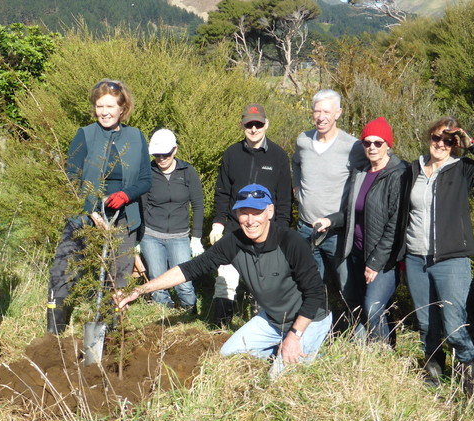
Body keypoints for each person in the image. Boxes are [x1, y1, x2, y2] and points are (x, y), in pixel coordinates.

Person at [118, 184, 331, 376]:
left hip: (309, 321)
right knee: (227, 357)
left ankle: (310, 352)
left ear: (270, 212)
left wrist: (293, 337)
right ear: (236, 213)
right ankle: (279, 347)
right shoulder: (234, 242)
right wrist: (139, 290)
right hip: (273, 320)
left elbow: (315, 295)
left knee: (278, 379)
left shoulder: (291, 242)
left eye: (256, 212)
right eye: (244, 213)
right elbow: (190, 269)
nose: (250, 220)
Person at [403, 117, 474, 396]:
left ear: (456, 145)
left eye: (448, 140)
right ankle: (433, 376)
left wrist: (473, 144)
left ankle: (472, 379)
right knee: (427, 324)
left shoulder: (463, 169)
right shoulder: (412, 169)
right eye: (436, 138)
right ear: (429, 138)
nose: (440, 144)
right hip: (416, 258)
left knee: (453, 324)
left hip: (451, 260)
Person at [46, 79, 151, 335]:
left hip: (123, 219)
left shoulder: (136, 137)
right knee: (63, 271)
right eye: (99, 106)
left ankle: (108, 333)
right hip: (84, 217)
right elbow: (71, 177)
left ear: (122, 108)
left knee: (117, 279)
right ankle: (54, 334)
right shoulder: (85, 134)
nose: (104, 112)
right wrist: (91, 211)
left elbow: (145, 180)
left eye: (110, 106)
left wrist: (126, 195)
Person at [314, 117, 407, 344]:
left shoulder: (398, 174)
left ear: (388, 145)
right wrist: (331, 220)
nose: (372, 147)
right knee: (360, 305)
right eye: (367, 143)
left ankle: (382, 354)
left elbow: (395, 224)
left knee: (374, 306)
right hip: (355, 251)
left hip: (382, 258)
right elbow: (353, 211)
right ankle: (378, 353)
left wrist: (375, 262)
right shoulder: (361, 172)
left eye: (378, 143)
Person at [208, 104, 292, 326]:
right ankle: (218, 330)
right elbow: (223, 192)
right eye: (249, 124)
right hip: (235, 229)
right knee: (225, 281)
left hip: (266, 231)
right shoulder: (232, 154)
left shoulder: (279, 156)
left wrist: (281, 231)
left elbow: (284, 200)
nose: (254, 129)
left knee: (263, 283)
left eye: (258, 124)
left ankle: (260, 328)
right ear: (242, 125)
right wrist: (218, 223)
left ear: (266, 124)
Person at [292, 89, 366, 312]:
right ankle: (313, 332)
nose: (321, 116)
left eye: (326, 111)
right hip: (306, 228)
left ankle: (360, 337)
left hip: (338, 233)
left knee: (348, 288)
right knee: (308, 287)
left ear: (338, 114)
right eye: (317, 111)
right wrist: (297, 188)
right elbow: (296, 163)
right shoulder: (303, 140)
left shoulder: (352, 146)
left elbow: (368, 176)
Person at [139, 129, 204, 312]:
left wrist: (196, 237)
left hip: (179, 236)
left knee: (184, 281)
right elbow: (142, 206)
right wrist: (137, 236)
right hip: (151, 235)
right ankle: (163, 315)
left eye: (165, 154)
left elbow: (198, 205)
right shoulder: (148, 173)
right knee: (158, 280)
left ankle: (189, 311)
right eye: (157, 155)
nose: (161, 158)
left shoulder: (187, 171)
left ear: (174, 150)